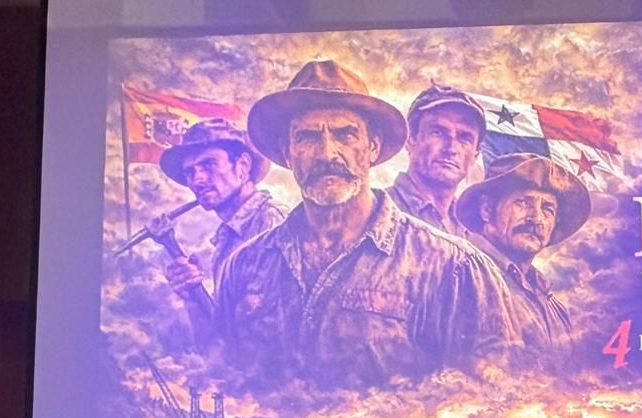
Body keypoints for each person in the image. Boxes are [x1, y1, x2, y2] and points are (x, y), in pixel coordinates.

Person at [217, 60, 518, 386]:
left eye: (346, 135)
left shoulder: (455, 268)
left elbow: (492, 399)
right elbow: (224, 383)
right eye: (307, 137)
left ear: (372, 147)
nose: (327, 153)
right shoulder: (243, 266)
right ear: (287, 153)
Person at [154, 118, 287, 345]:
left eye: (208, 165)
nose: (197, 180)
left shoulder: (271, 225)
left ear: (243, 167)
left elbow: (268, 340)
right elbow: (223, 342)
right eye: (190, 172)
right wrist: (192, 298)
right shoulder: (227, 240)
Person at [456, 152, 588, 358]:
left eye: (547, 209)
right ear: (486, 209)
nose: (536, 219)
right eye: (523, 202)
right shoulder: (458, 272)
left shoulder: (554, 307)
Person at [386, 85, 483, 238]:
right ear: (410, 139)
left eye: (465, 138)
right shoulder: (376, 211)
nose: (451, 148)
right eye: (437, 133)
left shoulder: (471, 231)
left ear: (475, 155)